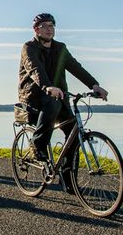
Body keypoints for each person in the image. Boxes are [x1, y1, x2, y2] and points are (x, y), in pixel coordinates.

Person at [18, 12, 108, 193]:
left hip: (58, 96)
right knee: (52, 102)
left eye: (52, 25)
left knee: (73, 135)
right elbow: (35, 69)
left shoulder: (60, 48)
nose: (49, 29)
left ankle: (68, 180)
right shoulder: (29, 47)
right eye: (45, 26)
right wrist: (47, 87)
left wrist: (94, 84)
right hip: (35, 96)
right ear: (36, 29)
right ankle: (38, 144)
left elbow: (75, 67)